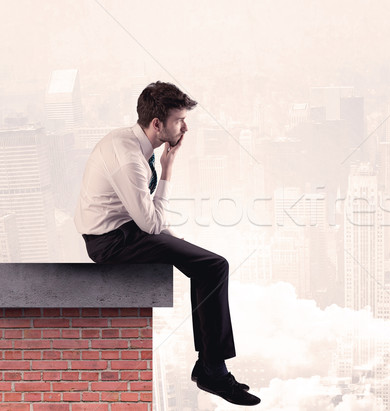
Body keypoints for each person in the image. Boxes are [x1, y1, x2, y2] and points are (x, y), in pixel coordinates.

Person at [74, 81, 260, 406]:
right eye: (179, 121)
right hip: (110, 243)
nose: (185, 127)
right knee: (214, 266)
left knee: (203, 263)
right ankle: (212, 372)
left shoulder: (130, 143)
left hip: (125, 229)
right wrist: (169, 167)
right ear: (157, 124)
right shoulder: (129, 159)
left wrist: (177, 243)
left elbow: (146, 217)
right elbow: (151, 222)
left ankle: (211, 367)